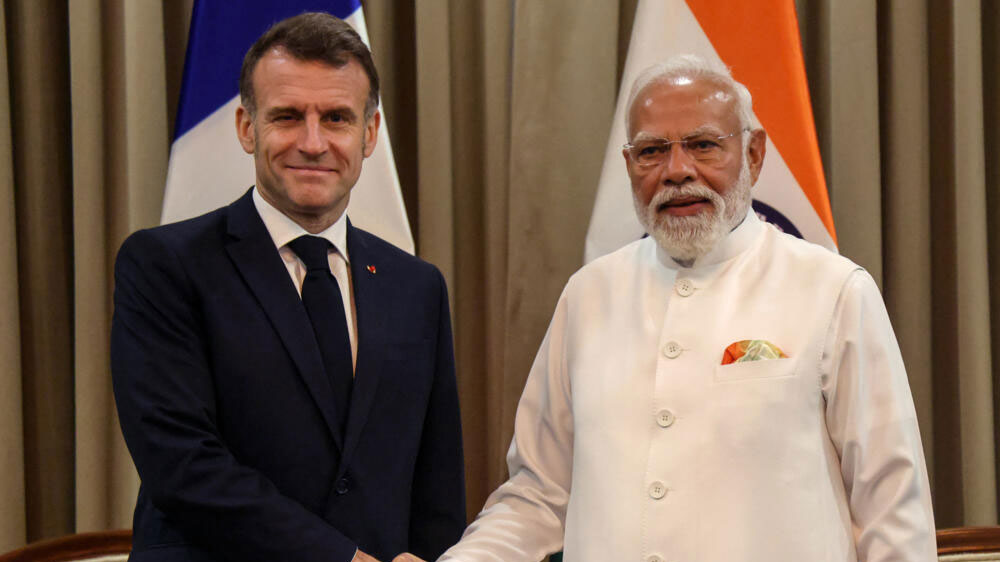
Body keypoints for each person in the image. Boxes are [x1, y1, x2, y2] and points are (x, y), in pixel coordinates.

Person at [414, 55, 937, 561]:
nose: (677, 170)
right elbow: (538, 495)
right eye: (651, 151)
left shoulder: (833, 289)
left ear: (754, 154)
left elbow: (891, 509)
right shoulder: (588, 295)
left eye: (704, 145)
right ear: (629, 165)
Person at [111, 12, 465, 562]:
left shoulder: (417, 286)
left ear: (369, 133)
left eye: (337, 118)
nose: (313, 142)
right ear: (246, 127)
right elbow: (182, 465)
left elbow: (435, 481)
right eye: (287, 116)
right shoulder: (165, 265)